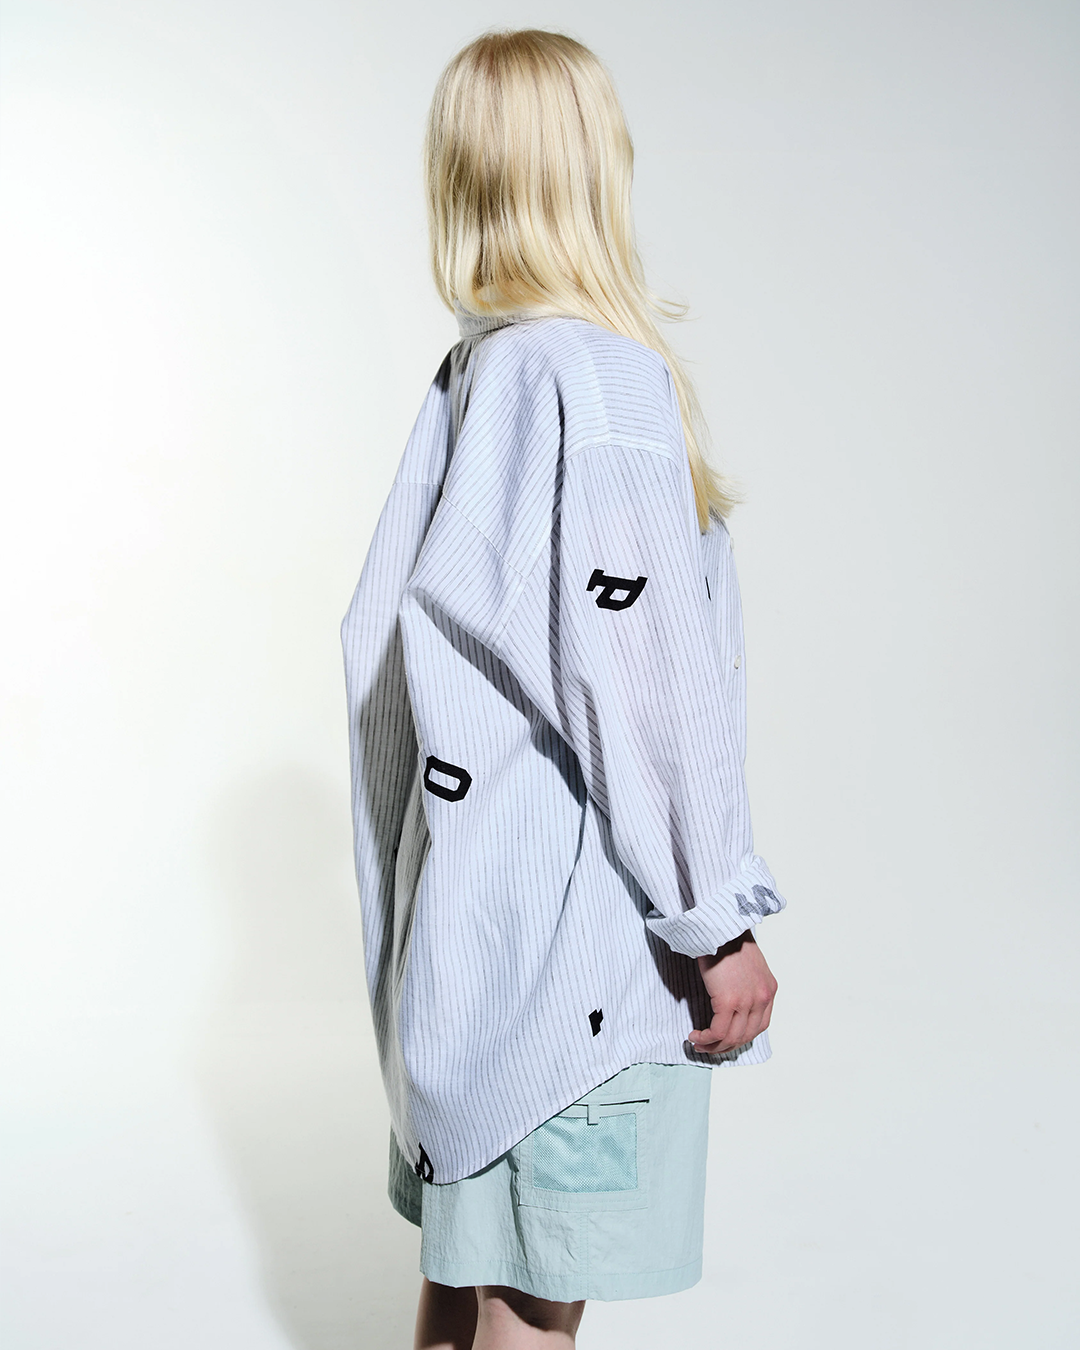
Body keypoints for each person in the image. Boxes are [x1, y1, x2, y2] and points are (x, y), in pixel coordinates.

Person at [341, 28, 786, 1349]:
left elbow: (376, 657)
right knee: (535, 1309)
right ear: (597, 165)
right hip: (578, 960)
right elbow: (638, 671)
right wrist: (713, 915)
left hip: (469, 943)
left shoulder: (474, 379)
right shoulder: (598, 380)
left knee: (466, 1285)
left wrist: (416, 924)